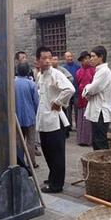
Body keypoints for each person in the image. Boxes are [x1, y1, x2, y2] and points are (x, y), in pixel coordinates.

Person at [36, 46, 75, 193]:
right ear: (38, 60)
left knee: (57, 154)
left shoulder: (56, 74)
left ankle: (56, 184)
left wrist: (59, 102)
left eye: (49, 58)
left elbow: (70, 89)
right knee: (47, 152)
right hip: (44, 119)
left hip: (55, 120)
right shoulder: (41, 75)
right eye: (43, 58)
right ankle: (53, 177)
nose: (47, 61)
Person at [82, 46, 111, 150]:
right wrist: (89, 90)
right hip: (97, 109)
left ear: (101, 57)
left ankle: (103, 165)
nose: (91, 59)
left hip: (101, 111)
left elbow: (92, 89)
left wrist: (86, 89)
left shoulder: (104, 71)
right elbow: (92, 90)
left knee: (100, 141)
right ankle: (98, 164)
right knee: (96, 140)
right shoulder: (99, 70)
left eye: (93, 56)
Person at [15, 62, 40, 168]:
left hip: (16, 117)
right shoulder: (32, 84)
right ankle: (32, 163)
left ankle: (20, 163)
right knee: (30, 141)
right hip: (30, 116)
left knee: (19, 141)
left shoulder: (12, 83)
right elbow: (36, 102)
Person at [75, 51, 95, 146]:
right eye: (85, 59)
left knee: (88, 119)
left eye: (88, 58)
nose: (87, 60)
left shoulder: (93, 70)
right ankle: (81, 140)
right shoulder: (78, 72)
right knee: (81, 118)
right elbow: (76, 85)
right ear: (81, 61)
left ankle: (89, 140)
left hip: (90, 98)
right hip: (80, 98)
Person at [62, 51, 80, 130]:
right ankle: (68, 126)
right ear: (65, 58)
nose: (70, 58)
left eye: (70, 56)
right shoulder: (63, 68)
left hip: (76, 92)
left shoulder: (77, 67)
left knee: (77, 110)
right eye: (67, 57)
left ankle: (78, 126)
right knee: (68, 110)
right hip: (67, 93)